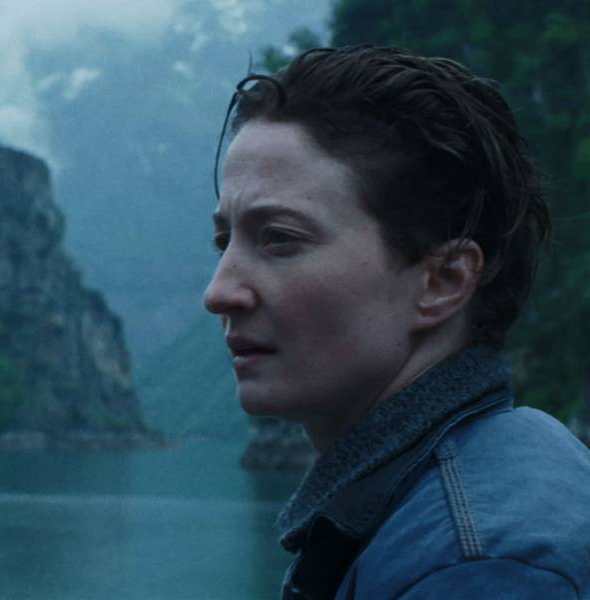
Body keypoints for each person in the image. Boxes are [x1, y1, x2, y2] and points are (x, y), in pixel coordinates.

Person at [203, 46, 590, 599]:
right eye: (224, 241)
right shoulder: (474, 495)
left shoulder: (479, 567)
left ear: (443, 281)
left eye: (280, 239)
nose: (218, 292)